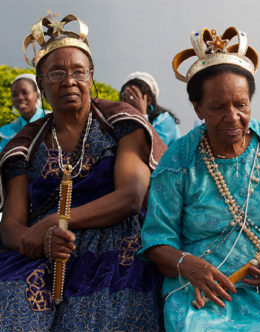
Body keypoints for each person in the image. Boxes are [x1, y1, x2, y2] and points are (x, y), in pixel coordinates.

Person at [139, 27, 260, 331]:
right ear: (198, 108)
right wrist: (188, 265)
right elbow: (158, 240)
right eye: (218, 108)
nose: (233, 117)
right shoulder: (179, 160)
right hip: (200, 291)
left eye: (241, 104)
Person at [0, 12, 166, 330]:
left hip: (118, 241)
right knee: (11, 307)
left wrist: (58, 220)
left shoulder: (120, 121)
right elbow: (11, 225)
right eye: (56, 74)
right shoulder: (24, 145)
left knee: (109, 313)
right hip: (46, 249)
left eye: (79, 71)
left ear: (91, 76)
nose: (70, 81)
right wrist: (33, 241)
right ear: (41, 85)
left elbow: (131, 196)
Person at [120, 71, 181, 146]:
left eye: (133, 97)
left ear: (148, 100)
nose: (127, 104)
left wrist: (142, 113)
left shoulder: (165, 120)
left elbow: (151, 150)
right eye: (124, 98)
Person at [0, 73, 44, 151]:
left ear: (37, 95)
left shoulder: (51, 120)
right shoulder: (11, 128)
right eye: (15, 95)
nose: (19, 98)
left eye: (24, 92)